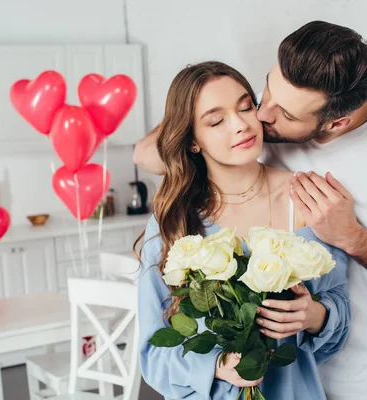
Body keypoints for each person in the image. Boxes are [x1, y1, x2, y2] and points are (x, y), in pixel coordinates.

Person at [133, 21, 367, 400]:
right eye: (265, 91)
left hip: (359, 387)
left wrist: (353, 239)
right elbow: (149, 151)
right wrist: (189, 141)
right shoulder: (259, 118)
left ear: (336, 122)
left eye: (285, 114)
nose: (259, 116)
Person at [136, 61, 351, 399]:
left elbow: (338, 311)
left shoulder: (307, 200)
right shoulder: (174, 221)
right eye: (217, 120)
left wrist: (315, 316)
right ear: (193, 141)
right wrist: (217, 366)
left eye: (246, 107)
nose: (240, 125)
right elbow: (153, 353)